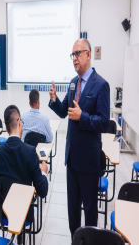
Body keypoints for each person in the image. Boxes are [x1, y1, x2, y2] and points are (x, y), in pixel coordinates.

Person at [48, 39, 110, 238]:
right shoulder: (73, 83)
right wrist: (54, 100)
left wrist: (82, 117)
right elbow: (64, 111)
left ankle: (90, 242)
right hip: (71, 160)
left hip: (89, 162)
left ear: (88, 54)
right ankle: (76, 240)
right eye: (72, 55)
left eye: (77, 54)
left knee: (90, 213)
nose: (74, 58)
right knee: (72, 211)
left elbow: (103, 122)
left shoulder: (101, 85)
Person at [0, 105, 49, 237]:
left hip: (2, 211)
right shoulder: (30, 152)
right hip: (24, 212)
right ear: (19, 123)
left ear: (5, 129)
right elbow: (42, 191)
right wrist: (43, 172)